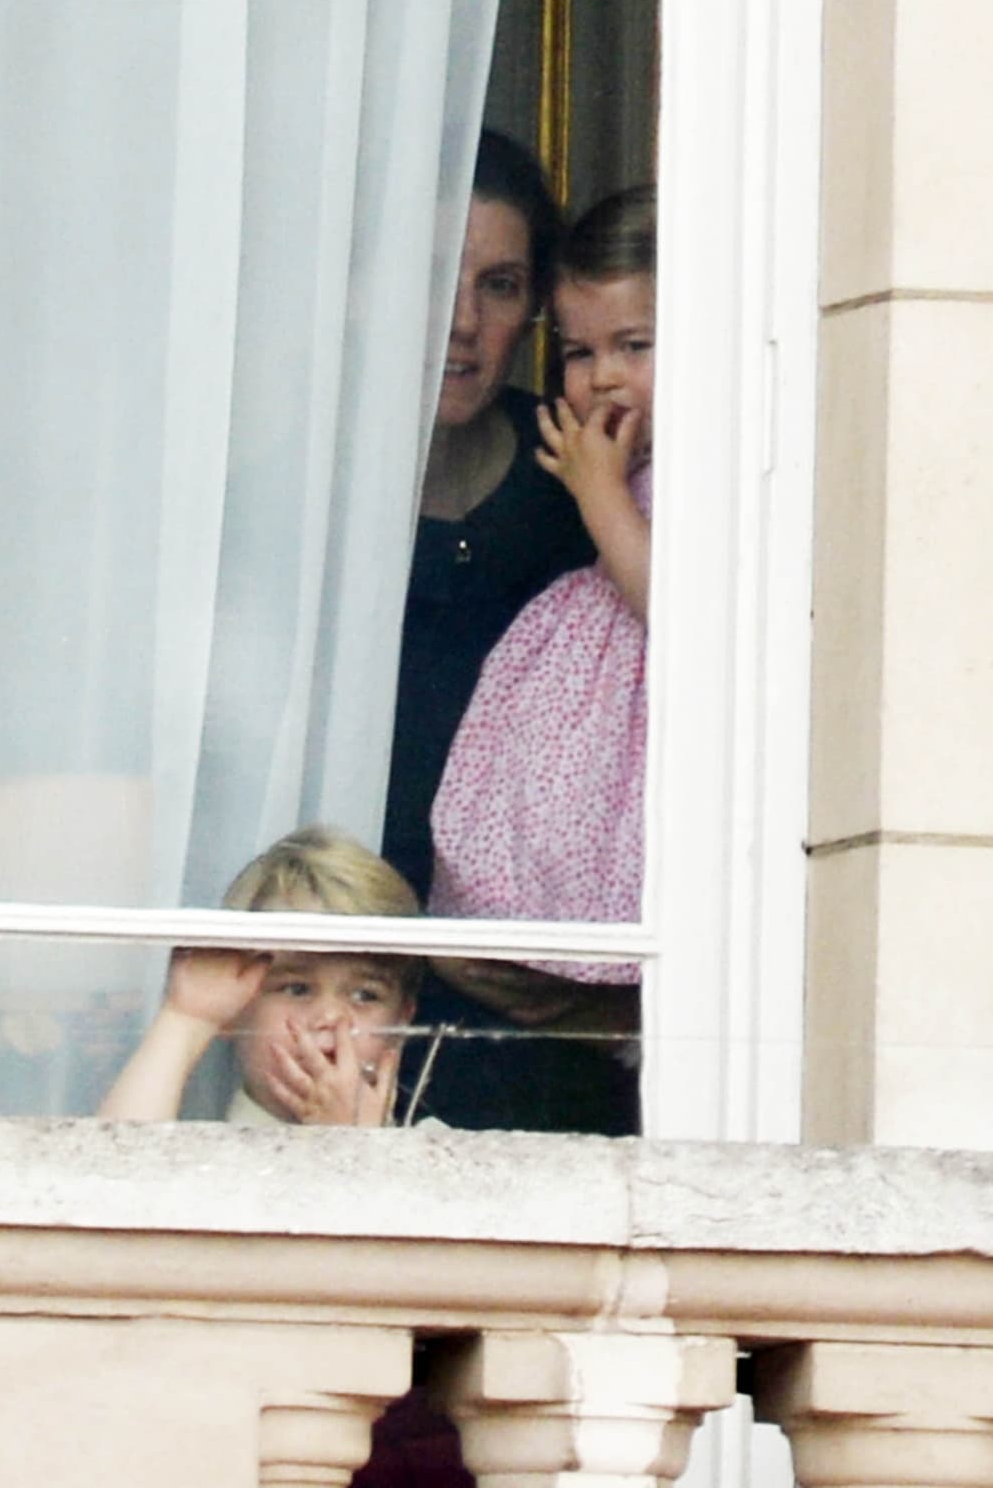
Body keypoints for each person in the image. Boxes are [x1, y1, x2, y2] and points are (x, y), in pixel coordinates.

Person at [428, 186, 656, 1070]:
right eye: (579, 351)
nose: (601, 376)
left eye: (633, 347)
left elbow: (680, 609)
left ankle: (619, 1009)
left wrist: (598, 492)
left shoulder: (707, 464)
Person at [382, 129, 595, 901]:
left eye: (499, 285)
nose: (463, 320)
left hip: (534, 955)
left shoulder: (581, 476)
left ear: (539, 306)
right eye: (434, 275)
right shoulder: (309, 501)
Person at [99, 826, 424, 1126]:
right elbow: (115, 1176)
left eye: (365, 995)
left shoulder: (446, 1152)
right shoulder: (201, 1157)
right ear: (235, 1009)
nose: (330, 1017)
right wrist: (187, 1017)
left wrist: (354, 1148)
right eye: (296, 989)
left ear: (402, 1020)